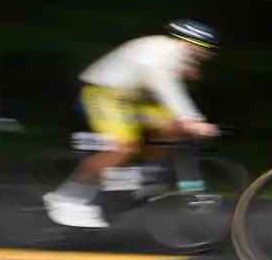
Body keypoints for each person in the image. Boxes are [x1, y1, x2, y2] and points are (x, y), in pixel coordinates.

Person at [42, 20, 221, 228]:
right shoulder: (163, 53)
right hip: (104, 93)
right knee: (124, 148)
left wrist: (187, 117)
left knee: (174, 128)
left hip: (133, 98)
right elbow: (166, 87)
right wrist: (192, 120)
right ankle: (67, 198)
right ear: (191, 43)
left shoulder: (178, 53)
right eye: (205, 49)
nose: (206, 55)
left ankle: (144, 177)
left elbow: (169, 81)